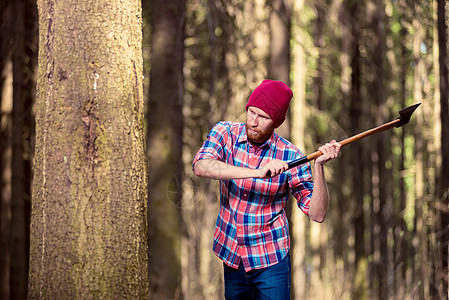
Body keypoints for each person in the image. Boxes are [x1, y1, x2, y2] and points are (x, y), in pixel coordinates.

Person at [192, 79, 341, 300]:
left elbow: (317, 213)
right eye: (251, 112)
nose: (253, 121)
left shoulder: (291, 155)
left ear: (276, 122)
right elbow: (201, 166)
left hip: (271, 259)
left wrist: (318, 168)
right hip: (232, 254)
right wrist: (256, 171)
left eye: (263, 117)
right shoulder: (225, 133)